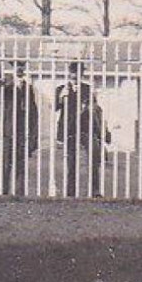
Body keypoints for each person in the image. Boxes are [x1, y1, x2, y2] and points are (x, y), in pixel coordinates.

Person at [55, 60, 108, 197]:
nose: (75, 75)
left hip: (85, 128)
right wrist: (62, 97)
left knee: (93, 158)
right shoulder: (61, 88)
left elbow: (95, 108)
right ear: (69, 72)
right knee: (71, 162)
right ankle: (70, 192)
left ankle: (94, 190)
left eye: (78, 72)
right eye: (73, 72)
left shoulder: (87, 89)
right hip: (68, 128)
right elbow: (55, 107)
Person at [0, 62, 39, 196]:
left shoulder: (28, 87)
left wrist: (32, 132)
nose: (19, 68)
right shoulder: (6, 85)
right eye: (16, 66)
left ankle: (19, 192)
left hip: (21, 131)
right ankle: (4, 192)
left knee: (20, 163)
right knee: (5, 163)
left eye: (22, 66)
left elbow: (32, 110)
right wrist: (2, 84)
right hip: (7, 130)